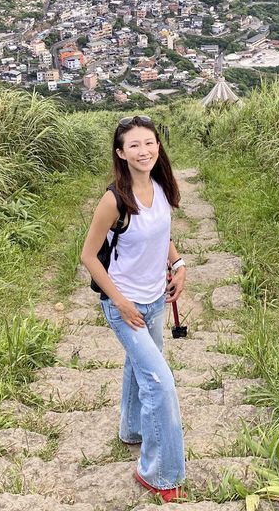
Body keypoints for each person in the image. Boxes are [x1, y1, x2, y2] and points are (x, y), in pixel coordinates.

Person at [80, 114, 188, 502]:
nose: (144, 151)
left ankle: (132, 429)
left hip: (156, 298)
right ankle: (160, 473)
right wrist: (120, 302)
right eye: (135, 145)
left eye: (150, 142)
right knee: (161, 382)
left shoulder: (161, 185)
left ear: (158, 146)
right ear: (120, 153)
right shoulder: (114, 200)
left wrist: (177, 264)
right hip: (124, 305)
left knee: (140, 365)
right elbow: (89, 256)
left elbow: (163, 232)